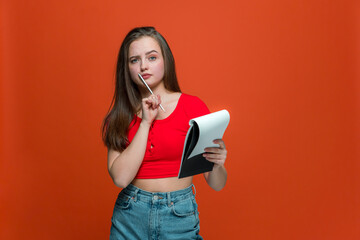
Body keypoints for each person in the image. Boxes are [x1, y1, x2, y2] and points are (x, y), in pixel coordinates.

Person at [102, 26, 228, 240]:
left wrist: (217, 163)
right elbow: (121, 179)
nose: (143, 66)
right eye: (134, 60)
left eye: (151, 57)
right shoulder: (120, 116)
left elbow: (217, 184)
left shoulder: (193, 107)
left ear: (165, 60)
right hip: (130, 215)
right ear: (127, 68)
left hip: (178, 214)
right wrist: (145, 123)